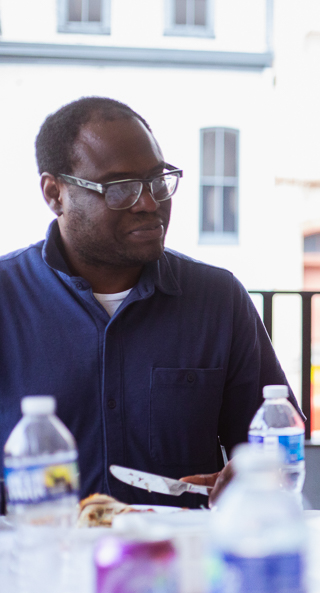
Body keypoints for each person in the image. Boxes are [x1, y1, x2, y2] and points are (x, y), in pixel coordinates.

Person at [0, 97, 292, 508]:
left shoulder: (218, 300)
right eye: (120, 188)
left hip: (182, 559)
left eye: (157, 179)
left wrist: (258, 474)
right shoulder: (7, 299)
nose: (150, 203)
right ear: (55, 194)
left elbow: (275, 442)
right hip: (40, 559)